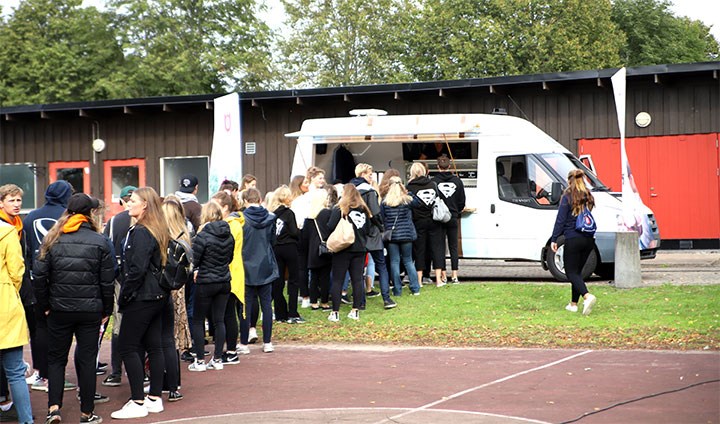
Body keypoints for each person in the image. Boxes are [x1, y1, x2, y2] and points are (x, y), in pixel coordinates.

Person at [33, 193, 115, 424]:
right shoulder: (99, 240)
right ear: (90, 213)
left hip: (59, 308)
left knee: (56, 359)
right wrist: (106, 309)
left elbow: (39, 276)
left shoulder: (53, 237)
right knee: (87, 359)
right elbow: (107, 281)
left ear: (67, 211)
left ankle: (54, 408)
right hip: (90, 309)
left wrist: (45, 306)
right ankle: (86, 412)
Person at [111, 187, 169, 419]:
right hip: (155, 296)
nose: (128, 204)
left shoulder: (143, 232)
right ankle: (154, 397)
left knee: (127, 346)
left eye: (132, 200)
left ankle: (137, 400)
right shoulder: (154, 229)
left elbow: (136, 269)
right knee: (154, 345)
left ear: (145, 204)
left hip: (143, 296)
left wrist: (124, 296)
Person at [21, 180, 73, 391]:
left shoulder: (31, 216)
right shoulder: (67, 216)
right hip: (62, 279)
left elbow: (25, 247)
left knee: (38, 328)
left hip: (35, 278)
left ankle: (41, 373)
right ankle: (55, 375)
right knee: (61, 329)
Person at [0, 185, 33, 424]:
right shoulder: (8, 231)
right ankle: (26, 421)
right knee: (15, 372)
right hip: (5, 306)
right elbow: (17, 271)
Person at [188, 202, 234, 371]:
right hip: (223, 280)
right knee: (219, 320)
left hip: (206, 281)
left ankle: (200, 360)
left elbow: (196, 259)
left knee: (199, 320)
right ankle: (217, 358)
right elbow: (230, 257)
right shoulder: (228, 234)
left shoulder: (202, 235)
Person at [101, 185, 135, 388]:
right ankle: (143, 370)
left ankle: (116, 371)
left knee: (119, 324)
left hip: (119, 278)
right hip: (138, 279)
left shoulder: (114, 222)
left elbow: (107, 247)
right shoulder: (148, 220)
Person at [551, 169, 598, 315]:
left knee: (571, 272)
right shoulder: (588, 196)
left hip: (573, 238)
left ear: (569, 180)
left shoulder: (567, 196)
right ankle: (573, 304)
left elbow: (561, 220)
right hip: (588, 239)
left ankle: (587, 296)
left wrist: (554, 239)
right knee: (577, 272)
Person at [351, 164, 395, 309]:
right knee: (381, 266)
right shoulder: (369, 191)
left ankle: (360, 302)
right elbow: (375, 213)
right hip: (373, 234)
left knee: (358, 270)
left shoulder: (349, 190)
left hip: (357, 233)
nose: (372, 177)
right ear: (363, 174)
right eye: (370, 174)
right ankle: (386, 299)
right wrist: (381, 227)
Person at [160, 196, 191, 401]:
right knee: (172, 337)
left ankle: (166, 381)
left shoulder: (167, 240)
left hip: (166, 289)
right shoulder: (185, 235)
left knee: (164, 337)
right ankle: (174, 383)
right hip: (179, 288)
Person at [241, 188, 279, 353]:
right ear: (260, 198)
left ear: (244, 200)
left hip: (246, 265)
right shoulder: (271, 218)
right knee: (266, 305)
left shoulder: (241, 219)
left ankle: (243, 343)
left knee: (246, 306)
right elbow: (273, 241)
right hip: (266, 264)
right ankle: (268, 342)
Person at [210, 191, 246, 361]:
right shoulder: (232, 223)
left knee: (228, 314)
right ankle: (228, 349)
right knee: (226, 313)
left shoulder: (231, 225)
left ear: (225, 207)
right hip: (230, 271)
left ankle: (231, 351)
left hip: (230, 272)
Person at [327, 184, 371, 322]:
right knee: (357, 280)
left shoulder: (340, 208)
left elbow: (330, 226)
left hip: (343, 249)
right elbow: (368, 230)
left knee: (338, 280)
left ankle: (335, 312)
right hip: (360, 248)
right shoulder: (364, 209)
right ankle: (355, 310)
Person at [268, 186, 303, 324]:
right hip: (290, 248)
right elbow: (294, 232)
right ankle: (293, 312)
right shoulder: (289, 213)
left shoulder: (271, 213)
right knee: (294, 280)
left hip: (276, 248)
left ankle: (280, 313)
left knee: (278, 281)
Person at [381, 177, 421, 296]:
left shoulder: (385, 201)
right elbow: (418, 203)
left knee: (394, 262)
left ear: (389, 186)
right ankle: (415, 288)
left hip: (392, 236)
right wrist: (408, 192)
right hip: (406, 234)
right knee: (408, 261)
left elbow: (383, 218)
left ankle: (397, 290)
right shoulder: (407, 199)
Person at [406, 163, 445, 287]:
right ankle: (438, 280)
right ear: (424, 171)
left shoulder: (409, 187)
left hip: (418, 222)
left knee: (419, 250)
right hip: (434, 220)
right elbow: (438, 200)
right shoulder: (432, 184)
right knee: (437, 249)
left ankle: (419, 280)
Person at [432, 155, 466, 284]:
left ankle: (443, 275)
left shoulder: (434, 181)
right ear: (450, 166)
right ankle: (455, 275)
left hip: (439, 218)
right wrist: (456, 210)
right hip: (452, 217)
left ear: (437, 167)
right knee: (453, 246)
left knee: (440, 246)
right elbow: (462, 201)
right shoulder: (457, 181)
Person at [299, 189, 333, 311]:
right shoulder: (327, 213)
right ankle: (324, 301)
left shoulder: (309, 218)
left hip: (312, 251)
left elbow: (305, 238)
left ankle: (313, 301)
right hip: (325, 248)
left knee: (313, 277)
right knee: (325, 276)